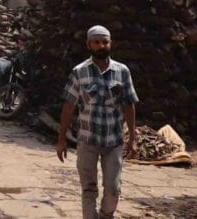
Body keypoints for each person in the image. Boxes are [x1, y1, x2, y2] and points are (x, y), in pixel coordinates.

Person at [56, 25, 138, 219]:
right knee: (89, 189)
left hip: (113, 141)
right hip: (87, 141)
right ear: (88, 44)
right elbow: (68, 107)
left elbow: (129, 105)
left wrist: (133, 138)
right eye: (97, 42)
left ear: (110, 44)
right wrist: (61, 140)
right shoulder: (79, 72)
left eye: (105, 42)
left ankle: (105, 215)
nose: (101, 45)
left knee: (113, 189)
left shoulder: (122, 72)